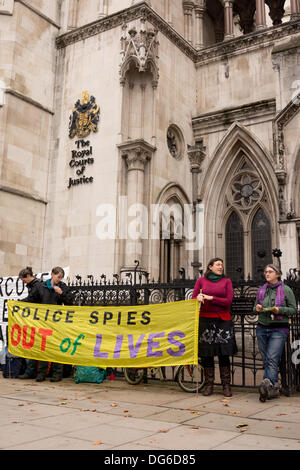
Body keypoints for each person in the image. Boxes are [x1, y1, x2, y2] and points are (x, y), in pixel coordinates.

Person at [192, 258, 237, 397]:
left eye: (222, 265)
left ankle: (226, 385)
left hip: (223, 320)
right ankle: (209, 385)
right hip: (205, 319)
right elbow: (193, 298)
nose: (220, 267)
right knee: (207, 354)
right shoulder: (201, 281)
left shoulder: (226, 281)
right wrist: (198, 298)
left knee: (224, 354)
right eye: (218, 265)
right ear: (210, 267)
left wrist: (212, 298)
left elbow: (228, 301)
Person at [22, 266, 73, 383]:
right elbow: (31, 299)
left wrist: (62, 294)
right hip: (44, 323)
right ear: (52, 274)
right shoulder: (41, 286)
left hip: (56, 323)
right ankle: (41, 374)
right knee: (43, 348)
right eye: (58, 277)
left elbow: (70, 302)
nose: (59, 279)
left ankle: (57, 374)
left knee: (56, 348)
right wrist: (17, 303)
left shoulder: (63, 287)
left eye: (61, 278)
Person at [254, 264, 297, 402]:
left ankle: (266, 384)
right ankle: (273, 387)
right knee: (267, 359)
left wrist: (280, 310)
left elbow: (293, 309)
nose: (267, 274)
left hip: (279, 329)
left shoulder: (286, 289)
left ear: (277, 274)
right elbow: (255, 307)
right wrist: (258, 308)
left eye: (270, 272)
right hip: (262, 327)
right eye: (266, 272)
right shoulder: (261, 290)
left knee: (272, 359)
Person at [17, 267, 41, 379]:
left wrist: (20, 302)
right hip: (35, 318)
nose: (23, 282)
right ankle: (30, 370)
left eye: (23, 280)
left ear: (27, 276)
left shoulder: (36, 285)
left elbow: (32, 299)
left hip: (37, 319)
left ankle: (31, 371)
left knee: (31, 344)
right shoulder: (34, 285)